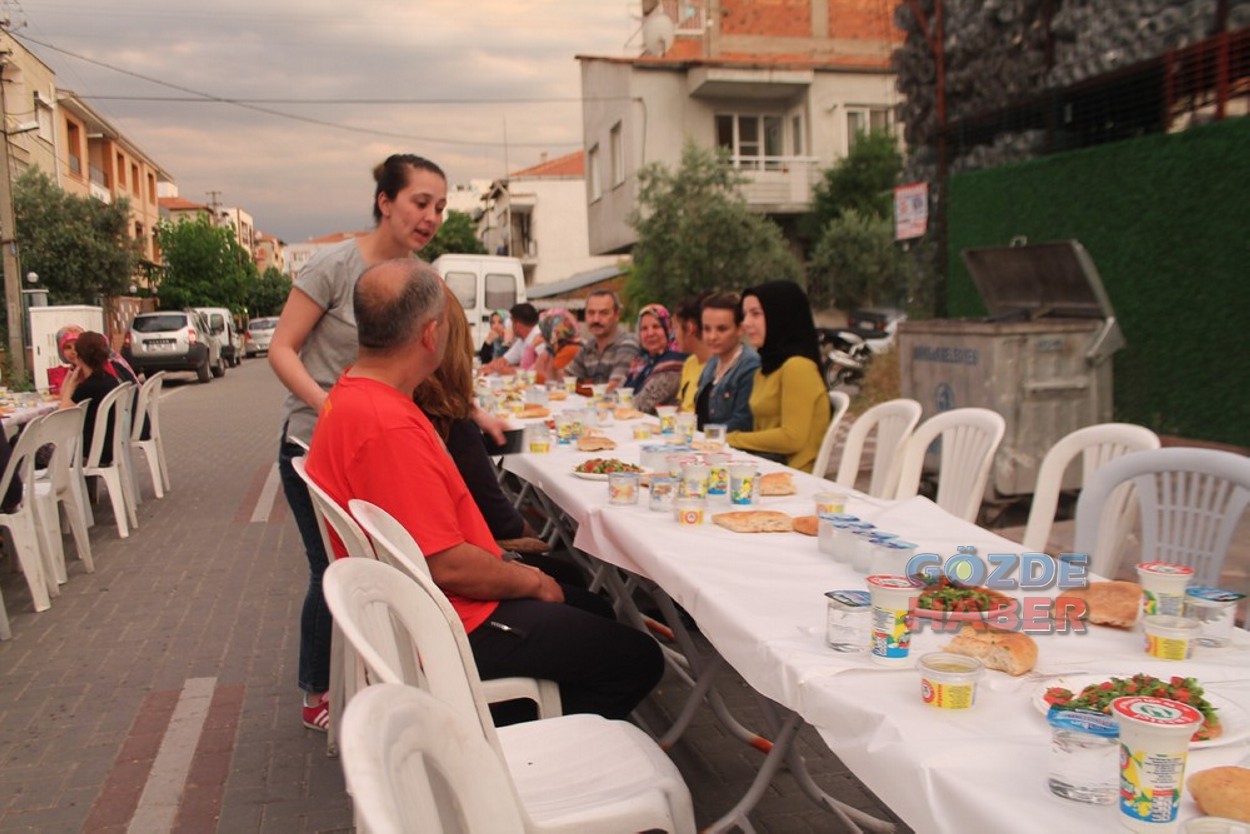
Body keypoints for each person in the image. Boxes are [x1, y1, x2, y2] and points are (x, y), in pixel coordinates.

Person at [305, 258, 663, 720]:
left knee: (591, 606)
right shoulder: (388, 425)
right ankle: (507, 742)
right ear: (431, 334)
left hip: (424, 606)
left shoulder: (353, 393)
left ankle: (543, 710)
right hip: (453, 622)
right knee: (639, 658)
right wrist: (532, 580)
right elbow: (447, 565)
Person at [269, 153, 476, 733]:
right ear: (385, 202)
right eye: (420, 202)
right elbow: (281, 348)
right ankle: (317, 689)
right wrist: (330, 406)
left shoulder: (421, 277)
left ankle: (389, 670)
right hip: (315, 442)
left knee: (389, 565)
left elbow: (435, 363)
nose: (431, 217)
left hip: (378, 445)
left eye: (440, 207)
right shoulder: (334, 266)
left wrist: (471, 413)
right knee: (333, 568)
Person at [727, 281, 831, 472]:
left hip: (795, 476)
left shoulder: (798, 367)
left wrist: (729, 439)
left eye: (756, 314)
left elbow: (792, 438)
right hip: (767, 466)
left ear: (780, 316)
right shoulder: (765, 369)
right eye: (745, 315)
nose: (746, 322)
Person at [695, 292, 761, 433]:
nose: (712, 336)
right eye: (707, 328)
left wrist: (705, 437)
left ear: (740, 329)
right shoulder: (713, 362)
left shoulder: (750, 366)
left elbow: (742, 423)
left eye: (722, 329)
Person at [57, 331, 120, 465]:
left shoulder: (88, 387)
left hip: (87, 452)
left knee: (26, 444)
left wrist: (72, 382)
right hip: (108, 448)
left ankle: (57, 478)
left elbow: (62, 413)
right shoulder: (110, 380)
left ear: (79, 357)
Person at [563, 289, 639, 389]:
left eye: (604, 313)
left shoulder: (627, 344)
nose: (596, 319)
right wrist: (549, 353)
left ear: (617, 315)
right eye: (591, 313)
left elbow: (615, 388)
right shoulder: (588, 347)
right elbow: (565, 380)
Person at [622, 304, 687, 415]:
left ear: (668, 329)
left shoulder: (673, 363)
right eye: (644, 329)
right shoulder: (640, 362)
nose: (650, 333)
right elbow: (620, 393)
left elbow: (642, 404)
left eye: (656, 327)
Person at [673, 294, 711, 413]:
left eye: (676, 328)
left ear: (690, 328)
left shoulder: (719, 367)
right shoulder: (690, 363)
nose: (674, 336)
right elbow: (681, 407)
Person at [481, 302, 540, 374]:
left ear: (517, 325)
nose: (509, 325)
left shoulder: (539, 338)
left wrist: (505, 370)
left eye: (511, 322)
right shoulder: (522, 340)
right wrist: (487, 368)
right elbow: (503, 360)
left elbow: (538, 370)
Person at [531, 308, 581, 384]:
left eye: (543, 331)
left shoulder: (570, 350)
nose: (541, 335)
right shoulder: (563, 348)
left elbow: (547, 379)